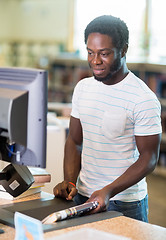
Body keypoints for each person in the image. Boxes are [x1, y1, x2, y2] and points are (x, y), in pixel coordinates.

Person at [53, 15, 162, 222]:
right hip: (83, 196)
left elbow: (149, 158)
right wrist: (70, 181)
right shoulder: (83, 88)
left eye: (104, 54)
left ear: (123, 50)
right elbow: (75, 142)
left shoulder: (143, 98)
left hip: (124, 202)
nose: (95, 61)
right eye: (90, 52)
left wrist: (109, 190)